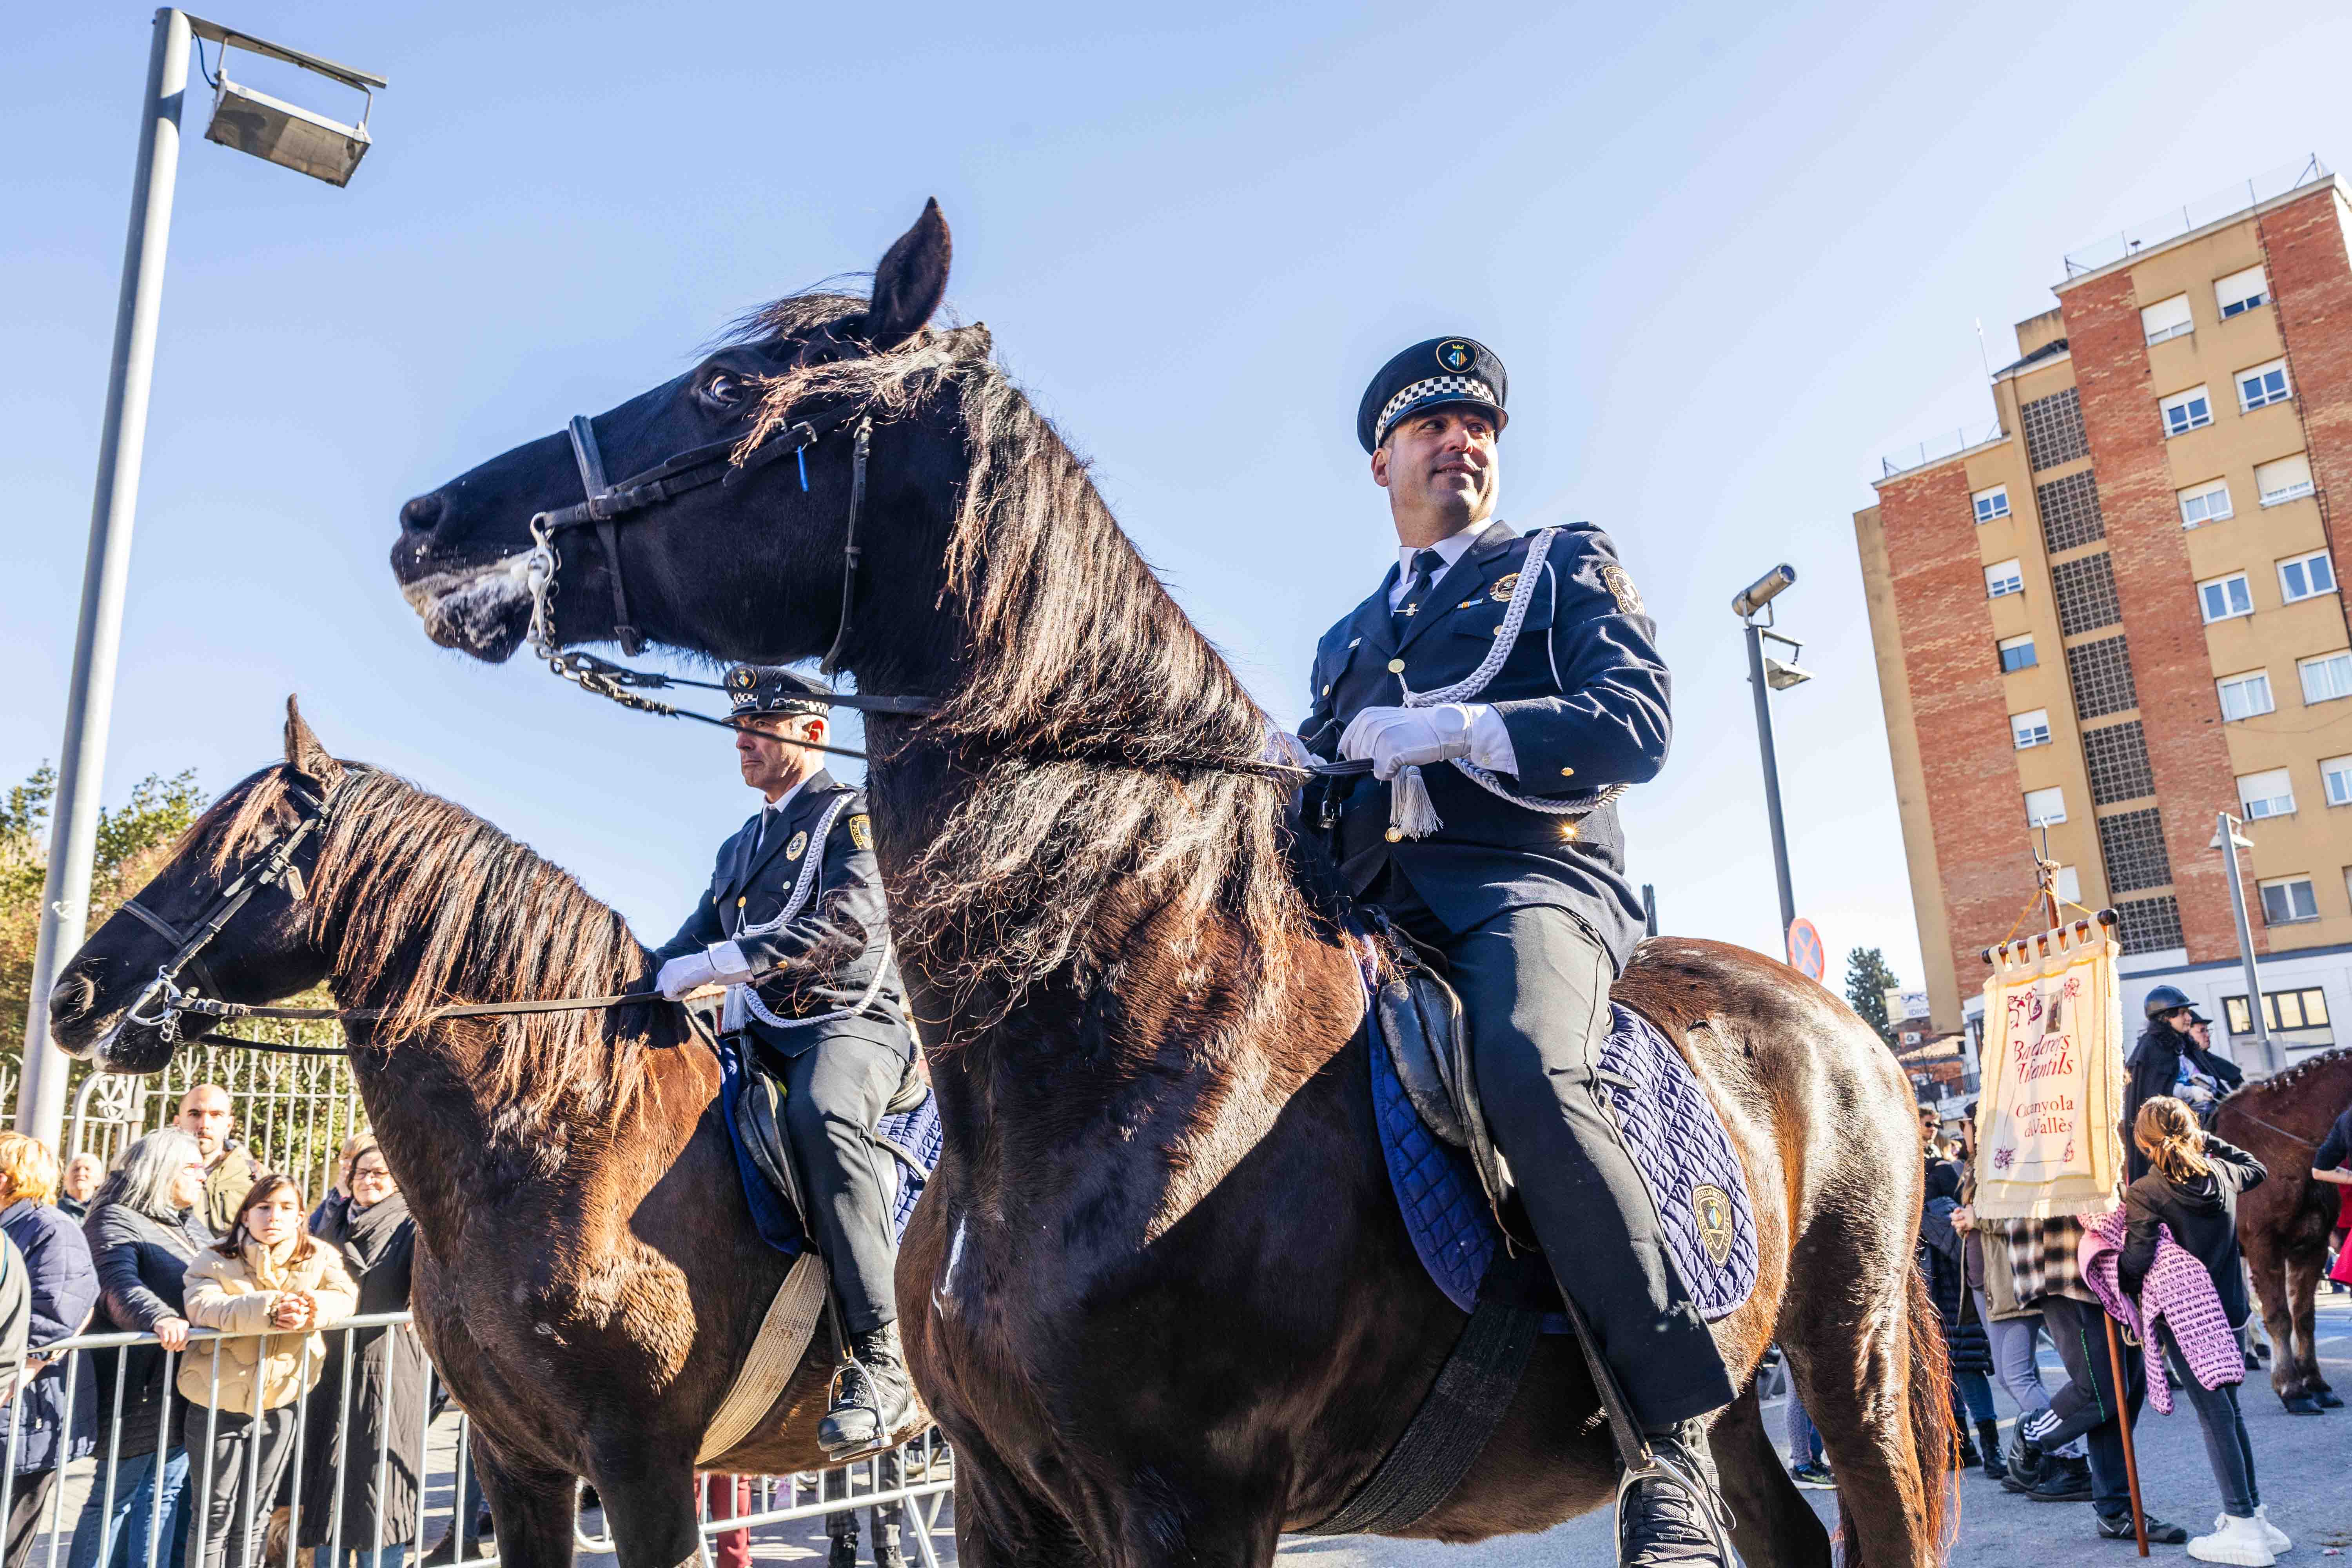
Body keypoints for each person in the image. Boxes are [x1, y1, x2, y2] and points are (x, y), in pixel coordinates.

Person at [1296, 338, 1722, 1566]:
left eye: (1475, 423)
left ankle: (1665, 1441)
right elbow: (1327, 796)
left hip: (1525, 882)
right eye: (1428, 427)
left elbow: (1632, 722)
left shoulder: (1557, 564)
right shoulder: (1343, 638)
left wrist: (1459, 726)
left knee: (1530, 1064)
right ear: (1380, 460)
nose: (1458, 441)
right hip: (1370, 906)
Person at [649, 664, 919, 1457]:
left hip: (848, 1022)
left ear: (811, 731)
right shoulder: (744, 843)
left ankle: (882, 1355)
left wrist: (721, 962)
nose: (741, 740)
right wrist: (622, 984)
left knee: (818, 1114)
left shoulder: (855, 816)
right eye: (739, 726)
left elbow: (848, 926)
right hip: (756, 1032)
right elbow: (687, 938)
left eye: (759, 726)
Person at [2120, 1098, 2284, 1566]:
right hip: (2230, 1309)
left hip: (2188, 1317)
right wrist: (2203, 1137)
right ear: (2192, 1131)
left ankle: (2242, 1524)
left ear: (2144, 1141)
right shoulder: (2224, 1175)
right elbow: (2255, 1167)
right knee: (2230, 1414)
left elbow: (2137, 1261)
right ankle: (2252, 1515)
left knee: (2217, 1419)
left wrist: (2117, 1278)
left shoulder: (2146, 1191)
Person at [178, 1175, 356, 1568]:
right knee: (213, 1513)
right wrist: (272, 1309)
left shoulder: (320, 1257)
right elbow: (203, 1306)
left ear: (300, 1217)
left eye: (286, 1207)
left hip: (281, 1402)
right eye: (264, 1207)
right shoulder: (214, 1257)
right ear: (246, 1214)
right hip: (217, 1401)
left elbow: (345, 1296)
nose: (274, 1216)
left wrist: (312, 1308)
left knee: (257, 1513)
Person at [70, 1130, 213, 1568]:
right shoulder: (114, 1216)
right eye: (193, 1167)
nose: (203, 1177)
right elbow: (116, 1282)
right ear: (163, 1168)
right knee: (114, 1496)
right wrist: (159, 1318)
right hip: (137, 1384)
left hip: (181, 1381)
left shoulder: (183, 1220)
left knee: (164, 1493)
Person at [298, 1140, 427, 1568]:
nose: (369, 1180)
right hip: (330, 1364)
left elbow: (434, 1271)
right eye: (361, 1173)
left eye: (380, 1173)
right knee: (326, 1483)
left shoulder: (413, 1221)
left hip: (387, 1362)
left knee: (380, 1486)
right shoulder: (332, 1217)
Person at [0, 1133, 100, 1568]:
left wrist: (13, 1374)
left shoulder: (51, 1227)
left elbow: (56, 1313)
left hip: (26, 1410)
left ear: (8, 1177)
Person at [1919, 1163, 2000, 1477]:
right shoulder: (1961, 1217)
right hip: (1965, 1306)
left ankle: (1961, 1446)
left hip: (1936, 1309)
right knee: (1971, 1375)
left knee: (1946, 1378)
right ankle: (1991, 1450)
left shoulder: (1921, 1221)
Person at [2125, 990, 2242, 1171]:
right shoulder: (2153, 1046)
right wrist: (2190, 1092)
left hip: (2203, 1116)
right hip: (2174, 1132)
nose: (2189, 1018)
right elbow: (2157, 1094)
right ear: (2166, 1018)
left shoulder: (2183, 1042)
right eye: (2183, 1013)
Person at [171, 1089, 258, 1238]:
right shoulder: (157, 1174)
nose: (204, 1125)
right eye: (195, 1114)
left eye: (216, 1115)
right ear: (177, 1122)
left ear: (229, 1124)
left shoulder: (254, 1177)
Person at [60, 1154, 105, 1223]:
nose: (81, 1173)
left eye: (87, 1169)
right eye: (76, 1169)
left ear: (99, 1180)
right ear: (65, 1179)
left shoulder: (104, 1210)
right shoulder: (55, 1209)